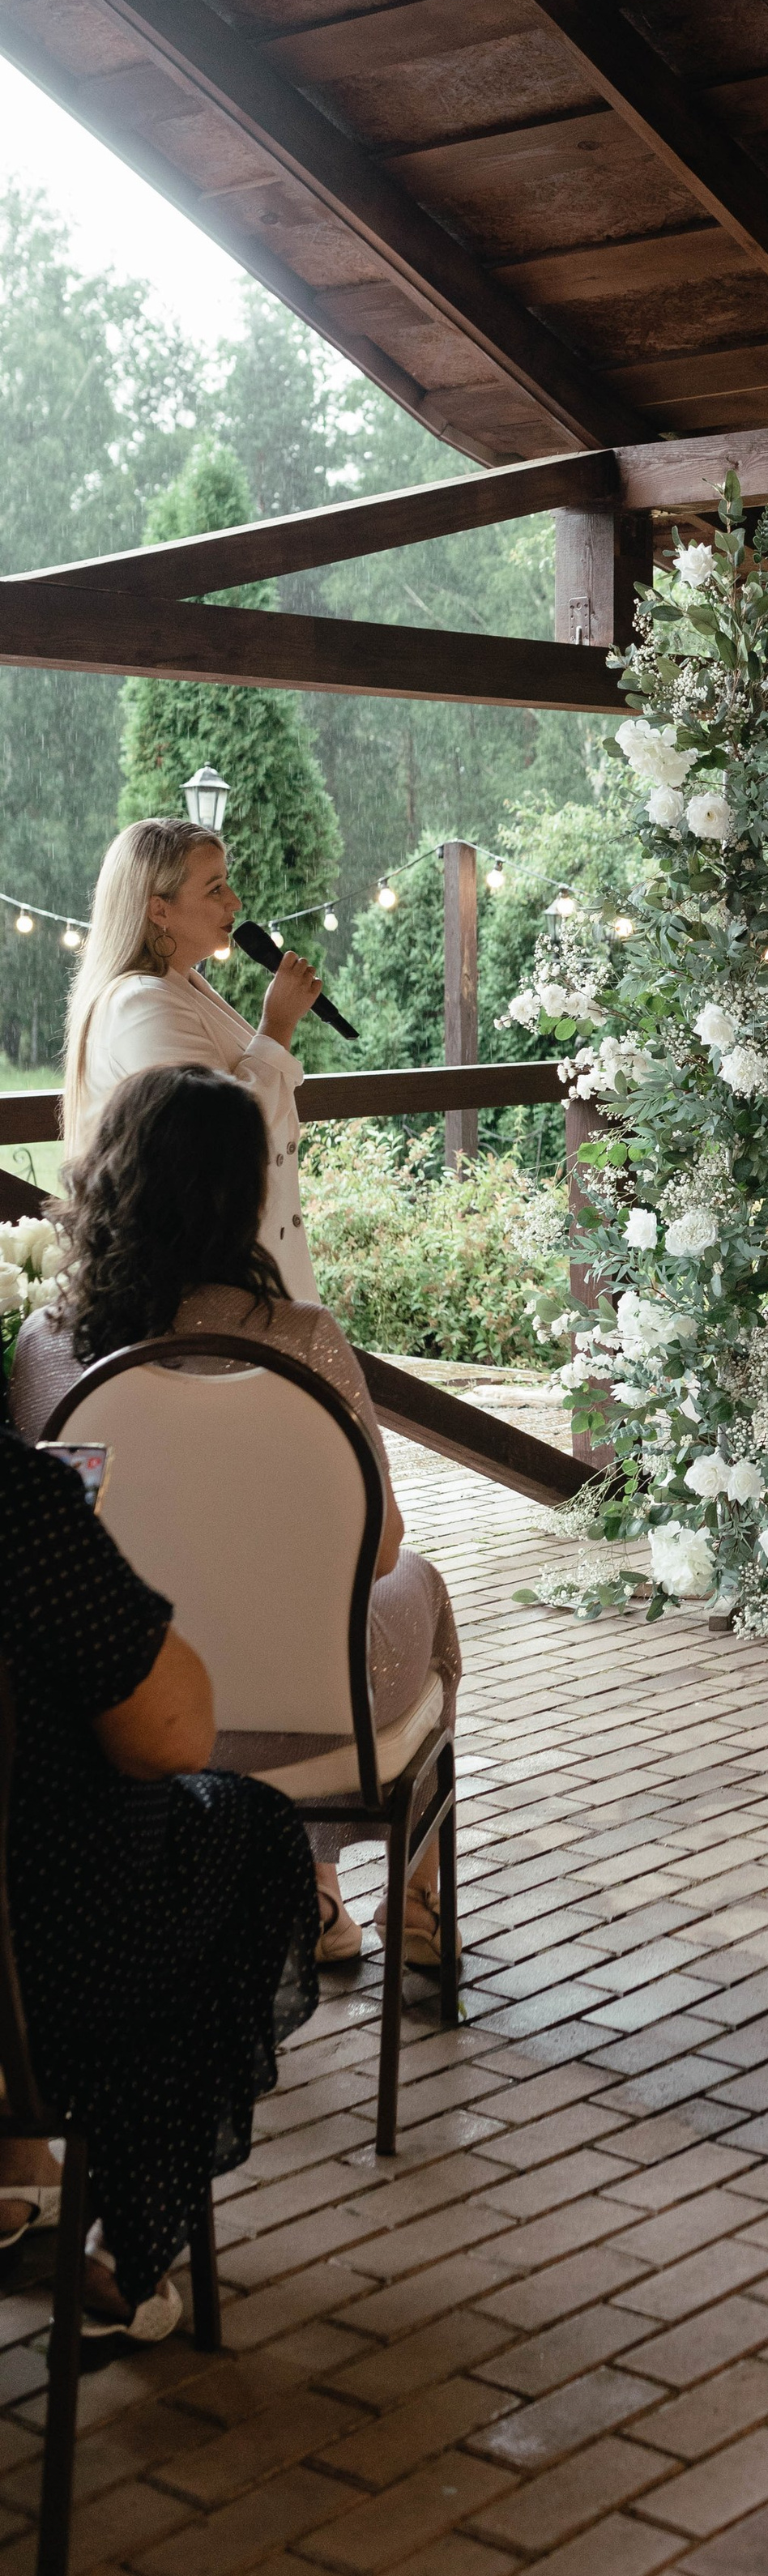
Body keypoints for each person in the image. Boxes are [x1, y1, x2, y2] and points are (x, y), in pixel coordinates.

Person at [13, 1064, 460, 1973]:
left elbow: (43, 1556)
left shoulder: (47, 1350)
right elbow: (378, 1553)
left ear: (107, 1178)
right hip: (319, 1710)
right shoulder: (300, 1341)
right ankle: (412, 1909)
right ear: (246, 1191)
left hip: (121, 1710)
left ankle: (315, 1895)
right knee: (421, 1589)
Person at [0, 1426, 318, 2339]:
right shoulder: (18, 1506)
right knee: (239, 1835)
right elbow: (173, 1735)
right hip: (44, 1983)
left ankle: (17, 2177)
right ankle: (124, 2253)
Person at [66, 817, 327, 1303]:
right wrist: (278, 1024)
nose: (235, 903)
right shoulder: (141, 1005)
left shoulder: (181, 985)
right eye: (215, 889)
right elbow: (221, 1139)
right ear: (159, 910)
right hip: (202, 1294)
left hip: (237, 1276)